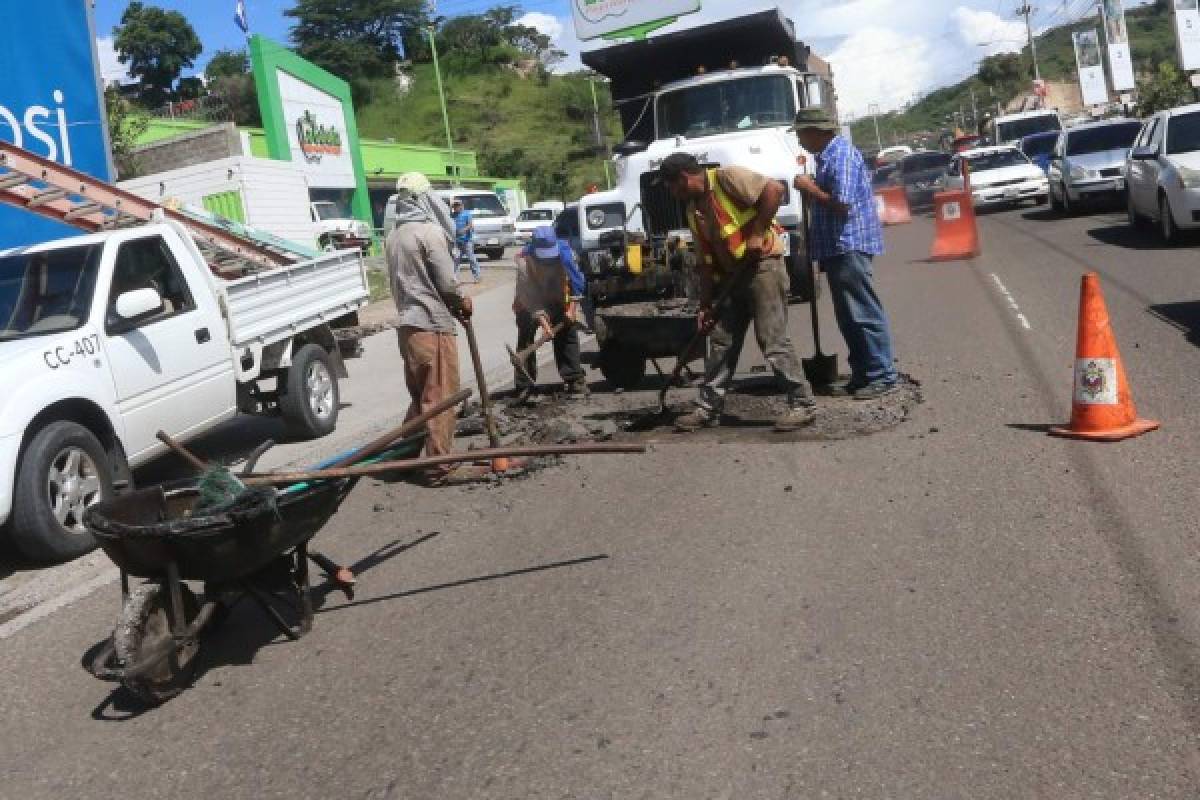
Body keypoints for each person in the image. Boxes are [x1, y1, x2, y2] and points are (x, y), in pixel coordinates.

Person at [656, 152, 817, 433]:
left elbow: (775, 190)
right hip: (731, 277)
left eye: (671, 187)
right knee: (720, 340)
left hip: (762, 268)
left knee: (772, 338)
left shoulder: (726, 178)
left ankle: (802, 404)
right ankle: (708, 408)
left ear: (683, 178)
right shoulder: (694, 210)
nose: (671, 193)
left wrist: (756, 233)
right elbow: (705, 263)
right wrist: (705, 304)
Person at [790, 107, 899, 399]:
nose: (800, 140)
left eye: (801, 133)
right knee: (848, 315)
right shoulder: (826, 157)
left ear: (816, 132)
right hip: (837, 247)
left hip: (850, 244)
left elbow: (842, 204)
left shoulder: (840, 155)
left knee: (862, 311)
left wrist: (809, 188)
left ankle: (882, 375)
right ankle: (863, 373)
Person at [386, 173, 477, 485]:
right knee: (439, 399)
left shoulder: (394, 236)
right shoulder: (429, 233)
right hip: (432, 324)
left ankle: (402, 460)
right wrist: (462, 301)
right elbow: (447, 283)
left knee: (421, 397)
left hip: (408, 328)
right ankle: (440, 466)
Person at [512, 225, 588, 398]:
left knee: (567, 331)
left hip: (558, 297)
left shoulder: (566, 252)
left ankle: (574, 379)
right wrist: (544, 322)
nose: (548, 261)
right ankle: (524, 385)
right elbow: (528, 295)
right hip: (530, 302)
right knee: (526, 331)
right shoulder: (524, 260)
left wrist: (572, 309)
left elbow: (577, 283)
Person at [451, 199, 482, 283]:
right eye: (455, 205)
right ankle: (455, 278)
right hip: (457, 241)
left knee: (471, 259)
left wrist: (464, 230)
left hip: (467, 240)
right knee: (456, 259)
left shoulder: (467, 214)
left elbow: (470, 225)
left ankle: (477, 276)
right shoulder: (452, 215)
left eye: (458, 205)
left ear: (461, 205)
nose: (456, 207)